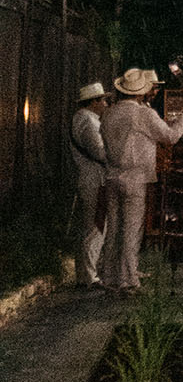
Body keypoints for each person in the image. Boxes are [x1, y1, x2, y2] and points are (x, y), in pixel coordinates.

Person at [100, 69, 183, 294]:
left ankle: (110, 275)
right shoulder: (142, 114)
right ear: (141, 92)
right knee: (131, 229)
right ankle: (128, 279)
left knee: (114, 228)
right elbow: (170, 136)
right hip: (135, 176)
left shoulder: (109, 114)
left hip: (112, 174)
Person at [70, 80, 108, 292]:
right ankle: (89, 275)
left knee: (92, 226)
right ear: (94, 102)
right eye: (102, 100)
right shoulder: (88, 122)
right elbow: (99, 152)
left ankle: (86, 273)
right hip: (94, 178)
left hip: (89, 177)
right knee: (95, 226)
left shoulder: (82, 119)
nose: (105, 104)